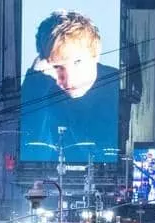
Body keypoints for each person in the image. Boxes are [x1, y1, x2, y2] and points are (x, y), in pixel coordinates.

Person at [20, 10, 120, 161]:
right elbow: (32, 151)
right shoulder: (41, 88)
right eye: (57, 66)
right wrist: (35, 80)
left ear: (96, 55)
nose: (69, 80)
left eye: (78, 62)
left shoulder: (116, 85)